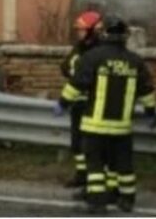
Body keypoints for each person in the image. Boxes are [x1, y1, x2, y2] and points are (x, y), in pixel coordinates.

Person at [59, 16, 156, 213]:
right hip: (121, 128)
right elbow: (147, 91)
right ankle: (126, 198)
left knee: (95, 165)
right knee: (122, 165)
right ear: (125, 36)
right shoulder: (135, 61)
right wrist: (150, 111)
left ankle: (97, 203)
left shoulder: (93, 57)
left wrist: (62, 103)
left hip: (94, 126)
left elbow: (76, 84)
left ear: (104, 34)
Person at [57, 10, 103, 189]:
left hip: (94, 104)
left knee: (93, 144)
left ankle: (95, 179)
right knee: (77, 143)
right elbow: (65, 67)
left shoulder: (100, 51)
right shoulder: (79, 48)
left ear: (92, 31)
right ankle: (81, 175)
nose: (79, 33)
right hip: (77, 102)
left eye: (82, 30)